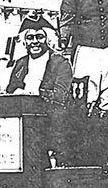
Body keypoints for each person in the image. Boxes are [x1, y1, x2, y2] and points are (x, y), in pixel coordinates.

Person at [5, 14, 74, 170]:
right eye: (30, 38)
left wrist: (34, 94)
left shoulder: (60, 63)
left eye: (39, 37)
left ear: (47, 39)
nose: (35, 41)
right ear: (24, 41)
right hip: (22, 120)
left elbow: (60, 96)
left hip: (50, 121)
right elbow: (11, 90)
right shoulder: (21, 63)